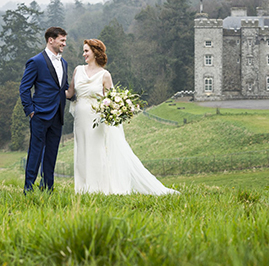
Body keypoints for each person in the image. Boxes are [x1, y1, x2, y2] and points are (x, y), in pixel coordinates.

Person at [66, 39, 178, 195]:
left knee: (95, 151)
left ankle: (97, 188)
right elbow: (70, 93)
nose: (83, 54)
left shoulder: (105, 75)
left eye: (86, 51)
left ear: (95, 52)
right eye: (83, 51)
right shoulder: (78, 70)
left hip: (96, 118)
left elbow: (112, 100)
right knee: (81, 150)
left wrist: (117, 110)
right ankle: (82, 188)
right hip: (80, 118)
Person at [20, 27, 69, 192]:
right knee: (35, 151)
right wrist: (30, 110)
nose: (64, 44)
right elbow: (24, 88)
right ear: (51, 40)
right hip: (39, 114)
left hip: (58, 115)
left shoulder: (64, 63)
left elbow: (65, 88)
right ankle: (28, 187)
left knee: (52, 153)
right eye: (62, 40)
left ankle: (48, 187)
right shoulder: (36, 61)